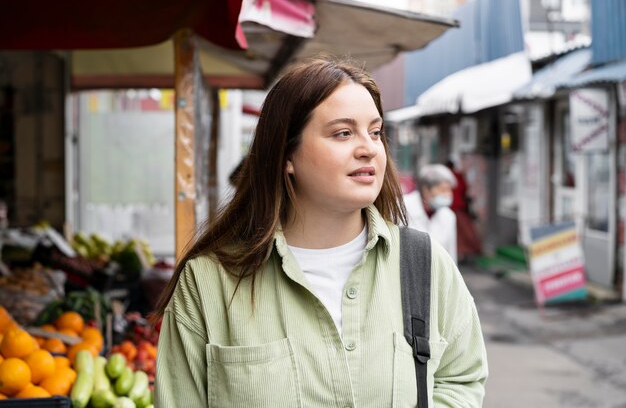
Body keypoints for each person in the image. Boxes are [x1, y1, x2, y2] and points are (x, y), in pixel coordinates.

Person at [153, 57, 488, 407]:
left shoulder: (423, 263)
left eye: (375, 132)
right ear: (287, 155)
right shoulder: (210, 281)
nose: (368, 148)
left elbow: (461, 378)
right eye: (343, 133)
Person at [404, 164, 458, 263]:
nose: (448, 194)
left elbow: (451, 255)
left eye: (449, 190)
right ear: (426, 190)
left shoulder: (448, 216)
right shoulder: (403, 207)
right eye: (443, 190)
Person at [445, 158, 482, 262]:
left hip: (452, 207)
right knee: (466, 232)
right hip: (460, 208)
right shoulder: (458, 175)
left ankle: (461, 253)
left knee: (458, 234)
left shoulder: (445, 177)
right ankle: (468, 252)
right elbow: (465, 189)